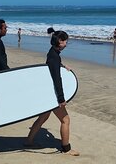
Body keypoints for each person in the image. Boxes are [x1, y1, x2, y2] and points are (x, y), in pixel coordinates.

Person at [24, 28, 79, 156]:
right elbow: (56, 78)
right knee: (65, 120)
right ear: (59, 41)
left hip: (48, 92)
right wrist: (61, 98)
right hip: (53, 95)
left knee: (43, 117)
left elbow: (53, 66)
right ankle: (66, 148)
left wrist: (63, 66)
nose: (66, 44)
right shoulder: (54, 56)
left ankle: (29, 141)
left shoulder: (53, 54)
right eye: (65, 41)